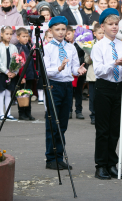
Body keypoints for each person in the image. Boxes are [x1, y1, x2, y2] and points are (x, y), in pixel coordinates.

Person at [91, 8, 122, 180]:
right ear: (102, 26)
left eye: (116, 24)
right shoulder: (99, 46)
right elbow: (99, 71)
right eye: (110, 24)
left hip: (118, 88)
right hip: (104, 87)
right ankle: (100, 165)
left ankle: (112, 164)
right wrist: (114, 63)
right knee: (103, 129)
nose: (114, 27)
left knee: (115, 129)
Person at [43, 16, 87, 170]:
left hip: (68, 86)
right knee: (53, 123)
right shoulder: (47, 48)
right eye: (57, 29)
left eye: (63, 29)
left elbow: (74, 67)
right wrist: (59, 68)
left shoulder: (70, 47)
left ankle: (59, 157)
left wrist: (78, 70)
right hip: (54, 86)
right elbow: (46, 71)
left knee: (63, 124)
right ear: (50, 31)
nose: (61, 32)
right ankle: (50, 158)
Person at [0, 26, 19, 121]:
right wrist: (6, 71)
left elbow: (17, 60)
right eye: (7, 34)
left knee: (8, 93)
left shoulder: (14, 47)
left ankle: (8, 113)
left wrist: (14, 72)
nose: (9, 36)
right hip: (1, 73)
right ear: (1, 34)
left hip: (11, 74)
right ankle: (1, 114)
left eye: (10, 34)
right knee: (2, 93)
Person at [64, 26, 86, 120]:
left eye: (68, 34)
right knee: (69, 92)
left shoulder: (80, 43)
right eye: (65, 36)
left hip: (79, 69)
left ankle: (79, 111)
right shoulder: (65, 45)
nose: (67, 37)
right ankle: (68, 111)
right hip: (69, 70)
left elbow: (84, 55)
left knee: (79, 92)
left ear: (73, 32)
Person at [84, 23, 104, 125]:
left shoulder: (107, 43)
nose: (102, 35)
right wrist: (91, 58)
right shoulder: (90, 44)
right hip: (93, 75)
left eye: (103, 33)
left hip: (104, 75)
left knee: (102, 97)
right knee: (93, 97)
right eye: (99, 33)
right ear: (94, 33)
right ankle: (93, 115)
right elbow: (86, 60)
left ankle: (102, 115)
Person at [15, 28, 36, 121]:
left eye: (27, 36)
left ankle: (28, 113)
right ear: (18, 37)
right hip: (23, 75)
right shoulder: (18, 47)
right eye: (23, 36)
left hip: (30, 74)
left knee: (28, 94)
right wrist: (22, 76)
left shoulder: (28, 46)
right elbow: (19, 63)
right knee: (21, 94)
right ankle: (21, 113)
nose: (26, 38)